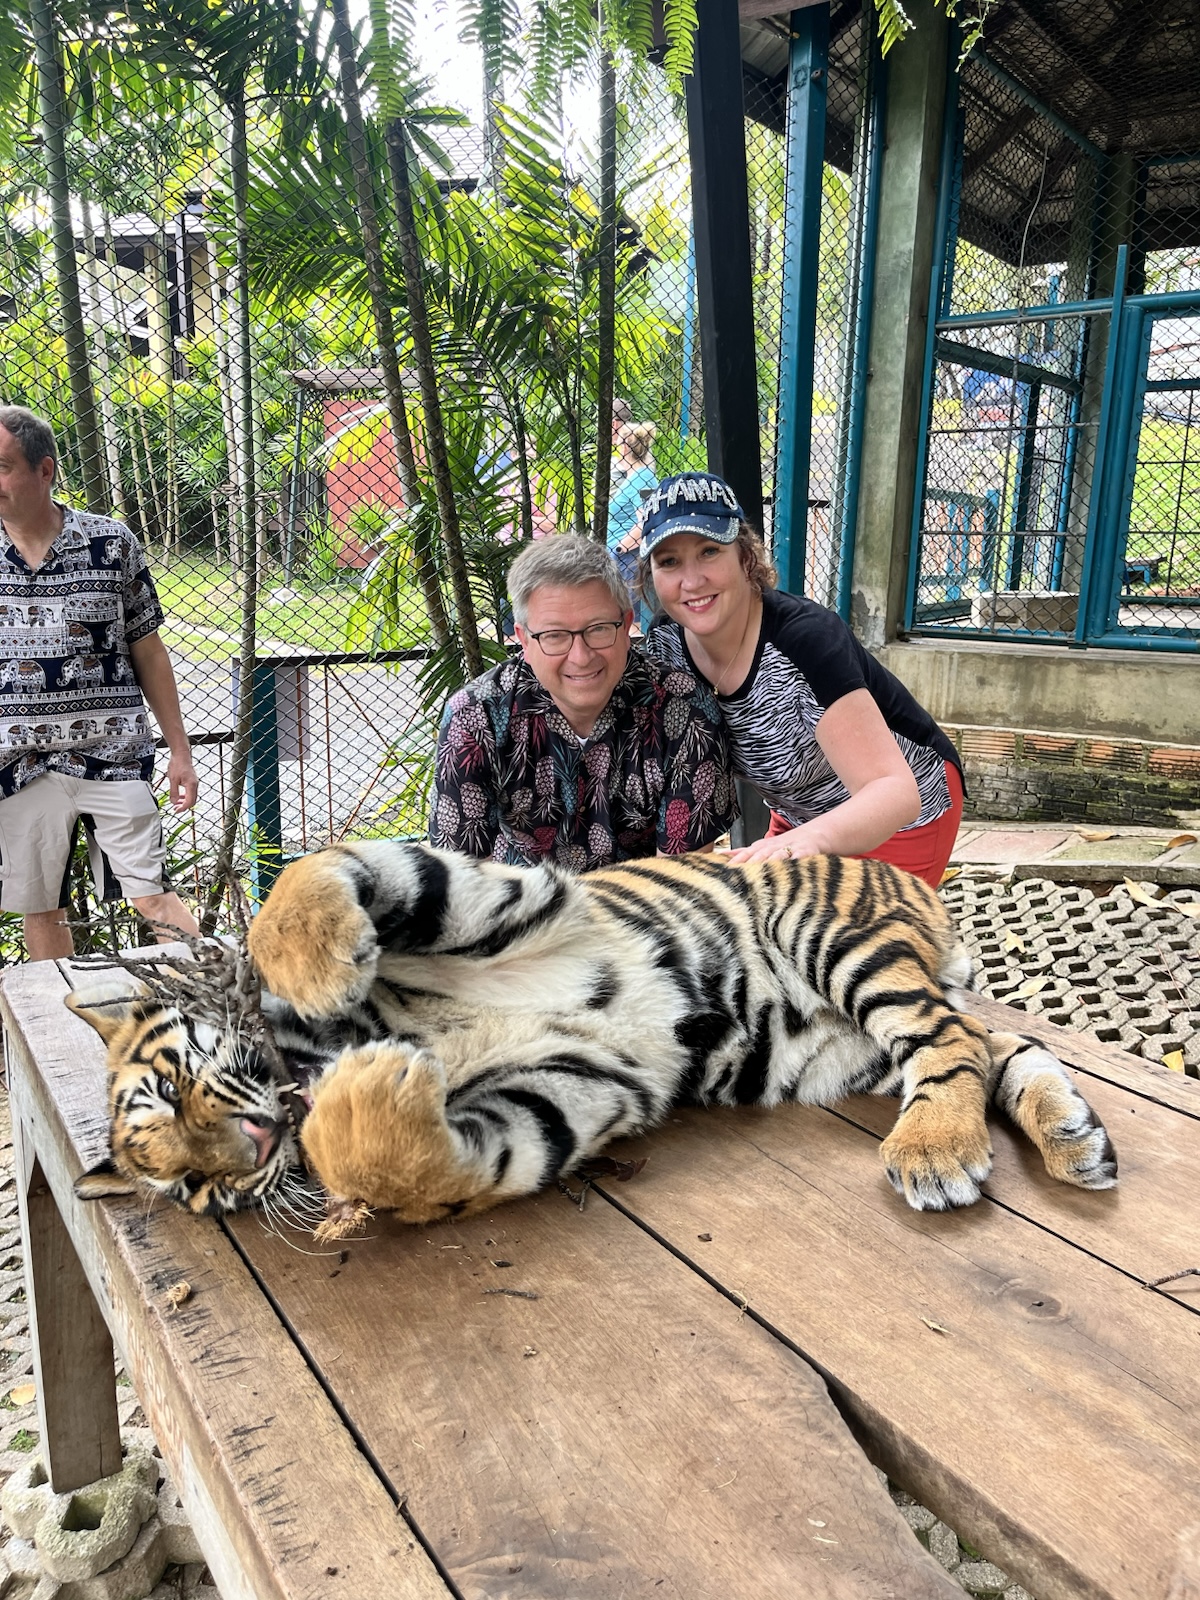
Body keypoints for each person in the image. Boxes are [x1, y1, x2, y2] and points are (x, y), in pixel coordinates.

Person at [637, 472, 964, 888]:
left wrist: (809, 840)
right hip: (799, 813)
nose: (691, 580)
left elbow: (895, 791)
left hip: (899, 817)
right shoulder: (666, 644)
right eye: (669, 562)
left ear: (745, 556)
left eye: (709, 551)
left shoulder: (805, 640)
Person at [0, 406, 200, 959]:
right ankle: (61, 1014)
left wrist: (180, 751)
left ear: (44, 470)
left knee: (152, 895)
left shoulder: (110, 543)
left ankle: (218, 999)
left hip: (111, 753)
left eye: (2, 467)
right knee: (43, 908)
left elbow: (148, 650)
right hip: (18, 764)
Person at [429, 534, 735, 871]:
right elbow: (464, 876)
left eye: (599, 629)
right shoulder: (476, 717)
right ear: (524, 640)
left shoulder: (686, 710)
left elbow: (678, 878)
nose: (581, 657)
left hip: (642, 899)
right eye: (554, 636)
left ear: (626, 625)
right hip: (522, 897)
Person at [606, 420, 658, 630]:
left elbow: (647, 521)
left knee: (626, 618)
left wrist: (619, 549)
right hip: (620, 558)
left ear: (625, 447)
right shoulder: (635, 477)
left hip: (626, 559)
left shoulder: (643, 478)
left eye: (619, 444)